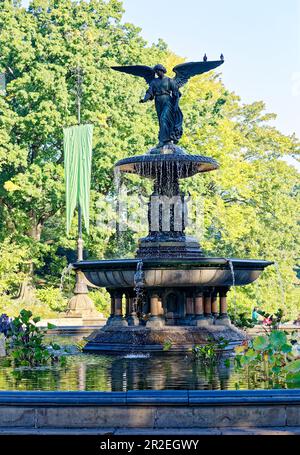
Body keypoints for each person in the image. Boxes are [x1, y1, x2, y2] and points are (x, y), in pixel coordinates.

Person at [140, 64, 183, 146]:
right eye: (156, 72)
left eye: (158, 71)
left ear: (162, 70)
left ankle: (163, 140)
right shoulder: (154, 82)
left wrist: (176, 105)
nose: (157, 73)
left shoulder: (169, 81)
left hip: (167, 101)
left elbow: (176, 93)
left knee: (164, 118)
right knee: (161, 121)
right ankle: (165, 139)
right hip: (158, 101)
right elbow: (150, 92)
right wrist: (144, 99)